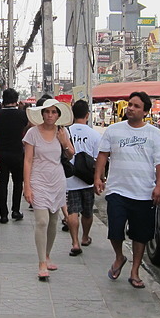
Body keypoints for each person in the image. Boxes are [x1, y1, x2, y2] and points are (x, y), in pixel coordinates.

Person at [94, 91, 160, 289]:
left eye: (136, 106)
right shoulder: (113, 130)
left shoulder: (154, 134)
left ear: (145, 111)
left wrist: (158, 186)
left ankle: (135, 270)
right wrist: (98, 177)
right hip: (117, 190)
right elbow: (103, 155)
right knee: (114, 231)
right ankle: (119, 257)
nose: (131, 108)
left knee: (140, 235)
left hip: (144, 193)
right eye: (130, 104)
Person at [22, 99, 74, 280]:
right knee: (42, 221)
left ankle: (48, 254)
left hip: (57, 180)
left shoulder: (62, 131)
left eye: (54, 112)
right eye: (47, 112)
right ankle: (41, 262)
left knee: (53, 221)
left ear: (58, 115)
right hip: (38, 180)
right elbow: (28, 160)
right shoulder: (32, 133)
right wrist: (26, 185)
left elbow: (71, 154)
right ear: (42, 114)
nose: (50, 115)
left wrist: (64, 142)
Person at [65, 99, 100, 256]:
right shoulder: (94, 134)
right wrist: (100, 178)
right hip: (87, 179)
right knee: (87, 212)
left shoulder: (65, 132)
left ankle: (75, 242)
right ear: (87, 114)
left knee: (73, 211)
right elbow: (100, 159)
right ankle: (85, 237)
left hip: (70, 178)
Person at [0, 88, 29, 224]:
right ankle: (15, 210)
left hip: (1, 153)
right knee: (18, 182)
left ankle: (3, 214)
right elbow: (26, 128)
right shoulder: (22, 114)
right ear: (16, 100)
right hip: (17, 153)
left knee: (2, 183)